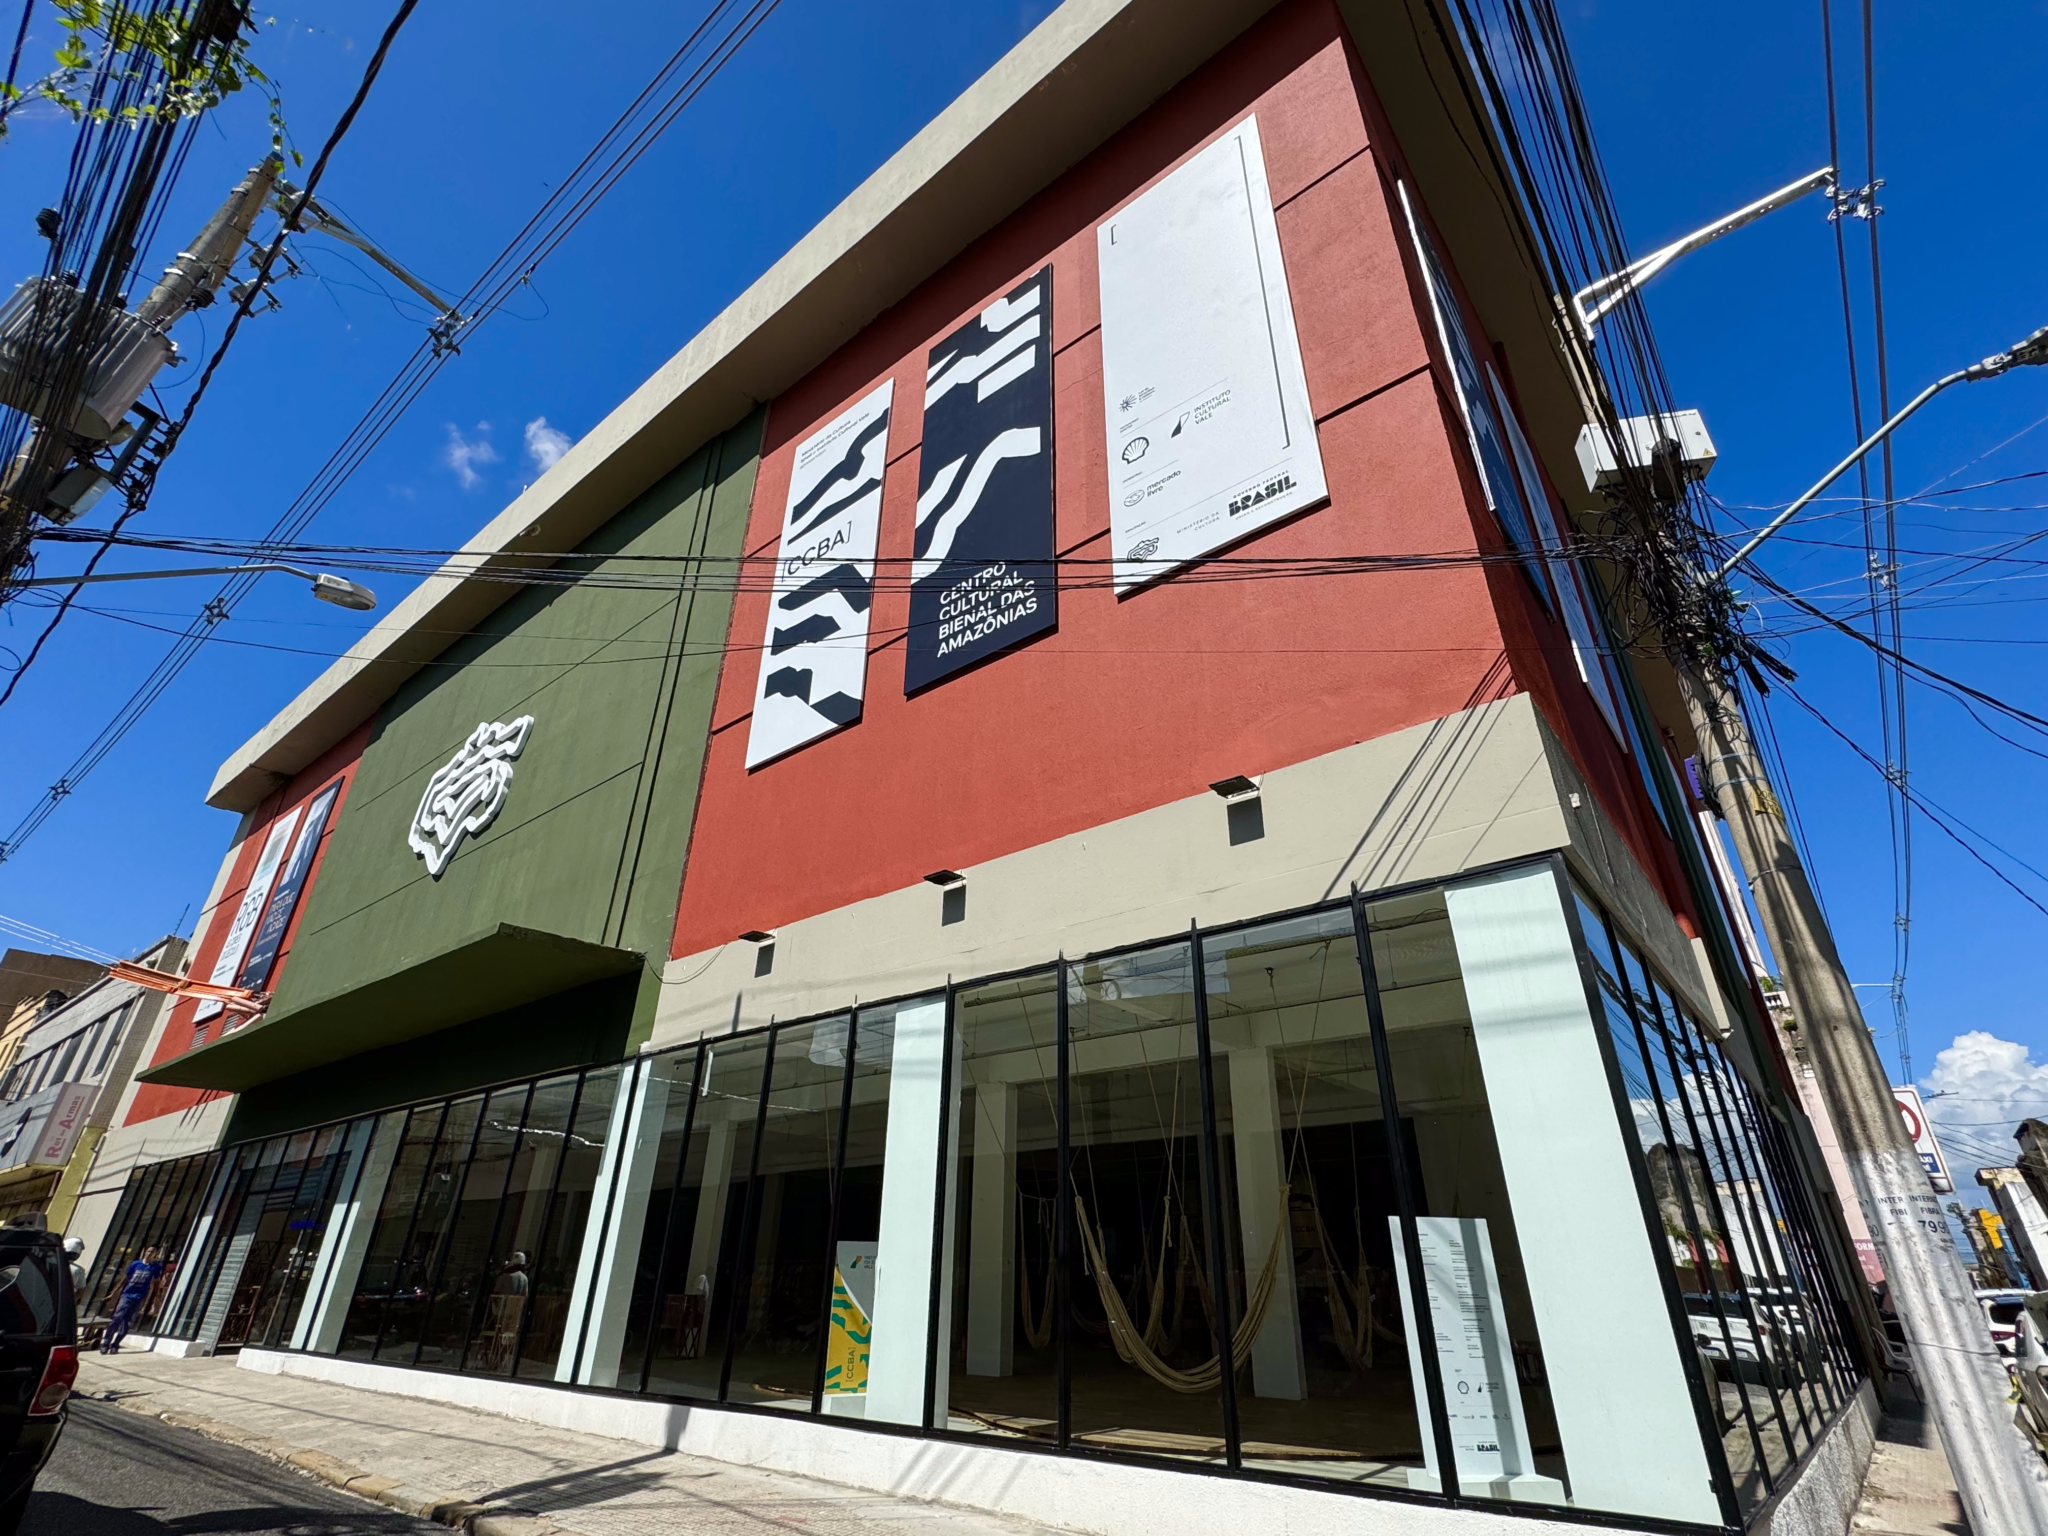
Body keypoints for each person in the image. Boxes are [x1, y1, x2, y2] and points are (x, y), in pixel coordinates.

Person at [101, 1245, 164, 1354]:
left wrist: (155, 1299)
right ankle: (106, 1342)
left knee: (127, 1323)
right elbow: (125, 1279)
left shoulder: (155, 1267)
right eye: (148, 1251)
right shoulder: (136, 1264)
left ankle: (115, 1344)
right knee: (117, 1318)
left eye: (152, 1252)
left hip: (139, 1297)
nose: (149, 1253)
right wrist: (114, 1293)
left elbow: (156, 1283)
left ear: (155, 1255)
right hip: (127, 1295)